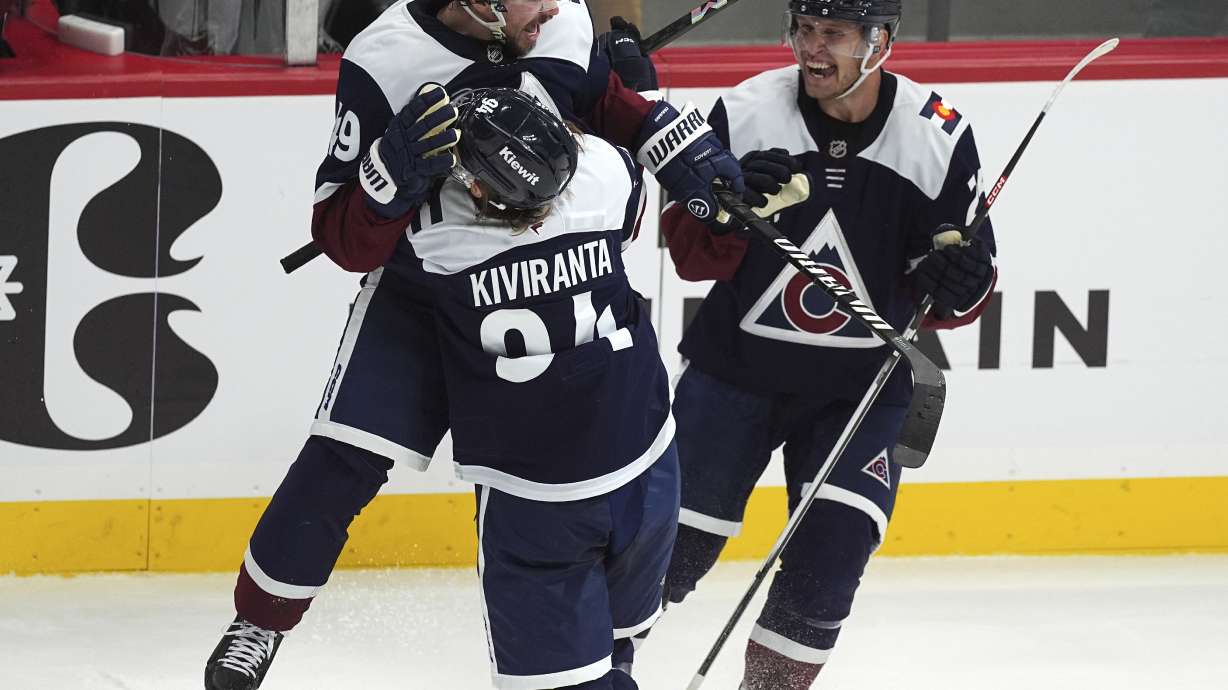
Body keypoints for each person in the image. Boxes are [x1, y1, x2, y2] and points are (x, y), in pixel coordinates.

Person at [203, 1, 741, 688]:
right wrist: (386, 181)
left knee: (582, 468)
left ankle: (603, 651)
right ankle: (261, 619)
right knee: (344, 456)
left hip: (537, 280)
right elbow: (341, 237)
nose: (555, 4)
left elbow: (611, 109)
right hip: (420, 295)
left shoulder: (560, 21)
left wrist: (672, 135)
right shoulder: (385, 57)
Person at [651, 1, 999, 688]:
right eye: (804, 30)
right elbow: (689, 257)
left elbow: (963, 286)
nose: (812, 48)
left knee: (828, 563)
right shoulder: (745, 112)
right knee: (663, 553)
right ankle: (596, 672)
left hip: (861, 395)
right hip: (734, 374)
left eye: (833, 34)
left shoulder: (937, 135)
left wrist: (959, 282)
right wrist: (726, 214)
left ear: (881, 43)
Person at [406, 85, 678, 689]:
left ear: (479, 192)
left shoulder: (438, 230)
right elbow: (626, 196)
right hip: (646, 463)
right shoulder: (607, 174)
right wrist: (640, 84)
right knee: (619, 643)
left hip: (532, 494)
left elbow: (363, 232)